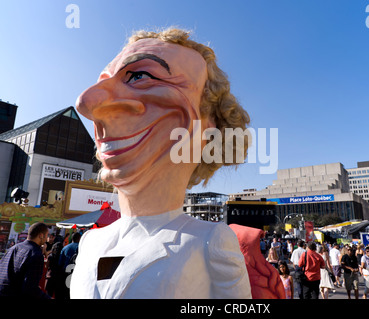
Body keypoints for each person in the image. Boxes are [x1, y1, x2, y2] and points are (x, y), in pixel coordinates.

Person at [70, 27, 255, 299]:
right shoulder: (89, 242)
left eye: (139, 75)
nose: (87, 102)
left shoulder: (211, 243)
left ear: (209, 130)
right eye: (104, 81)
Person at [0, 222, 51, 298]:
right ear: (41, 235)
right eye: (47, 235)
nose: (47, 239)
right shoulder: (35, 254)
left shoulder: (14, 248)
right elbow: (30, 288)